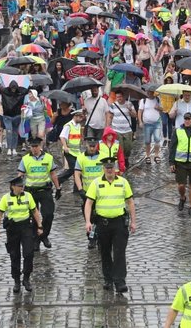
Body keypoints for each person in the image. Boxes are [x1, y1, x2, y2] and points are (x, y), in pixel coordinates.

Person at [84, 157, 136, 294]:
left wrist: (134, 222)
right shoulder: (96, 183)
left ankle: (120, 281)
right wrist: (88, 222)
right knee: (105, 252)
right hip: (103, 223)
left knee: (119, 252)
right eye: (107, 168)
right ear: (103, 169)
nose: (109, 170)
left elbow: (130, 202)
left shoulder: (123, 182)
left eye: (111, 167)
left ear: (115, 168)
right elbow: (88, 203)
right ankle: (108, 278)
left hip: (119, 223)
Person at [0, 176, 43, 294]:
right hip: (12, 229)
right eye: (20, 186)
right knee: (14, 255)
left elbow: (35, 211)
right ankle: (16, 280)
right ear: (13, 187)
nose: (22, 188)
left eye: (23, 185)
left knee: (29, 253)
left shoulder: (28, 196)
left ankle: (26, 278)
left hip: (26, 227)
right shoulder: (6, 198)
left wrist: (40, 225)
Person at [18, 135, 62, 251]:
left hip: (45, 190)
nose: (34, 149)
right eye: (32, 146)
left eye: (36, 146)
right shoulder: (25, 159)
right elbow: (20, 176)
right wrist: (18, 191)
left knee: (48, 215)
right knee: (33, 217)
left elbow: (53, 174)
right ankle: (35, 240)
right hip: (30, 192)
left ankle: (44, 236)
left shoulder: (48, 158)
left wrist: (58, 188)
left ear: (40, 146)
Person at [169, 111, 191, 216]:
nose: (187, 120)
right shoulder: (178, 131)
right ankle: (182, 197)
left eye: (189, 119)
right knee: (181, 185)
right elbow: (172, 147)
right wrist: (171, 162)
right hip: (180, 163)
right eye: (185, 119)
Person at [74, 136, 105, 248]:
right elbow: (77, 174)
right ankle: (91, 238)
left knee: (101, 216)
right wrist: (80, 189)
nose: (92, 148)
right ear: (86, 145)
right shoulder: (81, 158)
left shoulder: (103, 156)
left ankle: (99, 237)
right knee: (89, 217)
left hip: (101, 192)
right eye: (90, 146)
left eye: (94, 146)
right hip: (87, 193)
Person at [58, 107, 85, 191]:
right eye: (80, 117)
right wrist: (65, 147)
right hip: (69, 151)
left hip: (77, 152)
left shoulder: (78, 126)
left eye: (82, 117)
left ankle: (77, 188)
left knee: (77, 170)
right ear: (75, 116)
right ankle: (59, 179)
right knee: (73, 169)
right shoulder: (68, 125)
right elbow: (62, 137)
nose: (81, 119)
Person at [106, 90, 137, 162]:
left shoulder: (129, 104)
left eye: (120, 97)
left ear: (123, 97)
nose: (119, 98)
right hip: (117, 130)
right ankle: (121, 161)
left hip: (127, 130)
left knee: (128, 147)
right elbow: (110, 116)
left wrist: (130, 110)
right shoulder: (113, 105)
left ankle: (126, 158)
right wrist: (107, 127)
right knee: (120, 147)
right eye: (117, 97)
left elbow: (134, 115)